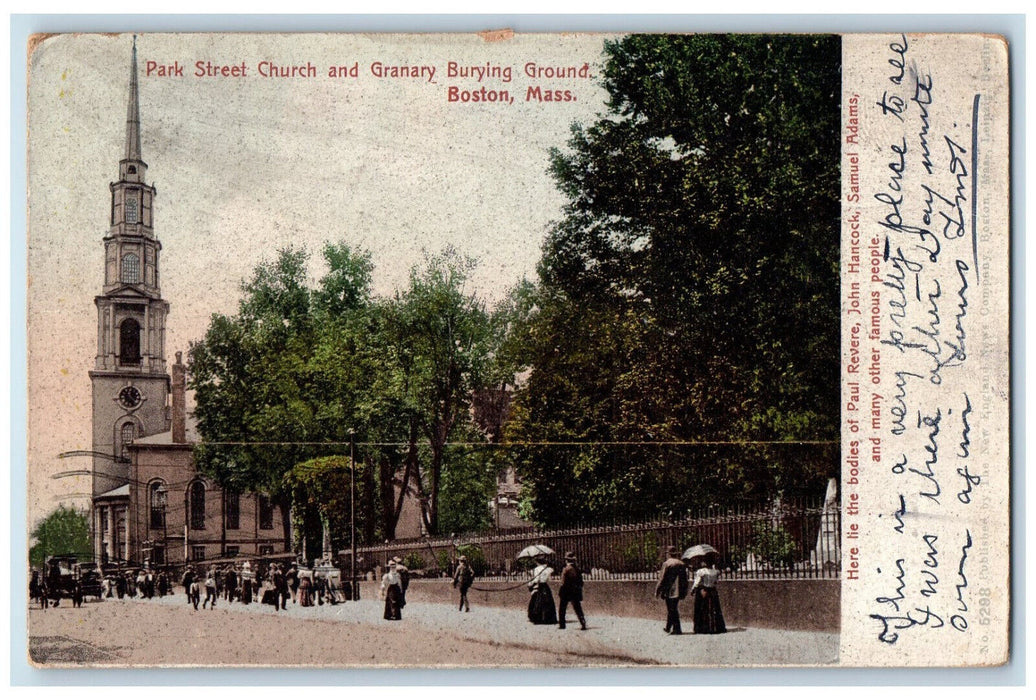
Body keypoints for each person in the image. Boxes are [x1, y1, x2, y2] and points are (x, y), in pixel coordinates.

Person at [654, 546, 689, 635]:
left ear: (668, 554)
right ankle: (668, 627)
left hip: (669, 590)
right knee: (673, 608)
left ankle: (677, 629)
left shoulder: (667, 564)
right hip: (679, 589)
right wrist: (684, 590)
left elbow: (662, 579)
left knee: (671, 609)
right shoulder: (681, 563)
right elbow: (685, 579)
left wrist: (657, 590)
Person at [691, 554, 727, 634]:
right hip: (713, 591)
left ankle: (702, 628)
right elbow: (716, 582)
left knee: (702, 609)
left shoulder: (701, 571)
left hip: (703, 590)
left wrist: (693, 589)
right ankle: (715, 627)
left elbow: (697, 583)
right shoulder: (715, 572)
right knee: (714, 609)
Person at [558, 552, 587, 630]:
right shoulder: (577, 569)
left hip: (566, 591)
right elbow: (581, 582)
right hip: (575, 591)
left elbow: (563, 582)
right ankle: (583, 622)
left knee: (562, 608)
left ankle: (562, 625)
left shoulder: (566, 569)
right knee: (578, 608)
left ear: (566, 560)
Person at [527, 555, 557, 624]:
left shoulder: (537, 569)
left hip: (540, 586)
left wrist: (531, 584)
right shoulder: (548, 569)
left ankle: (538, 618)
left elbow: (536, 579)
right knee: (547, 601)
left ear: (537, 561)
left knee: (538, 601)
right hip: (545, 586)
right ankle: (548, 618)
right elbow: (550, 579)